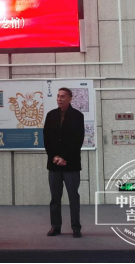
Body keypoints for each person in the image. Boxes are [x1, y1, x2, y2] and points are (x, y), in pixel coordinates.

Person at [43, 88, 85, 238]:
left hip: (71, 164)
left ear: (70, 98)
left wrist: (64, 157)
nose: (59, 99)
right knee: (55, 197)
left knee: (73, 197)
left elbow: (78, 140)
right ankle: (55, 226)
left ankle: (76, 227)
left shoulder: (77, 116)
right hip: (54, 164)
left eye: (62, 97)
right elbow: (46, 138)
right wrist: (54, 156)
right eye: (58, 96)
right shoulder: (51, 115)